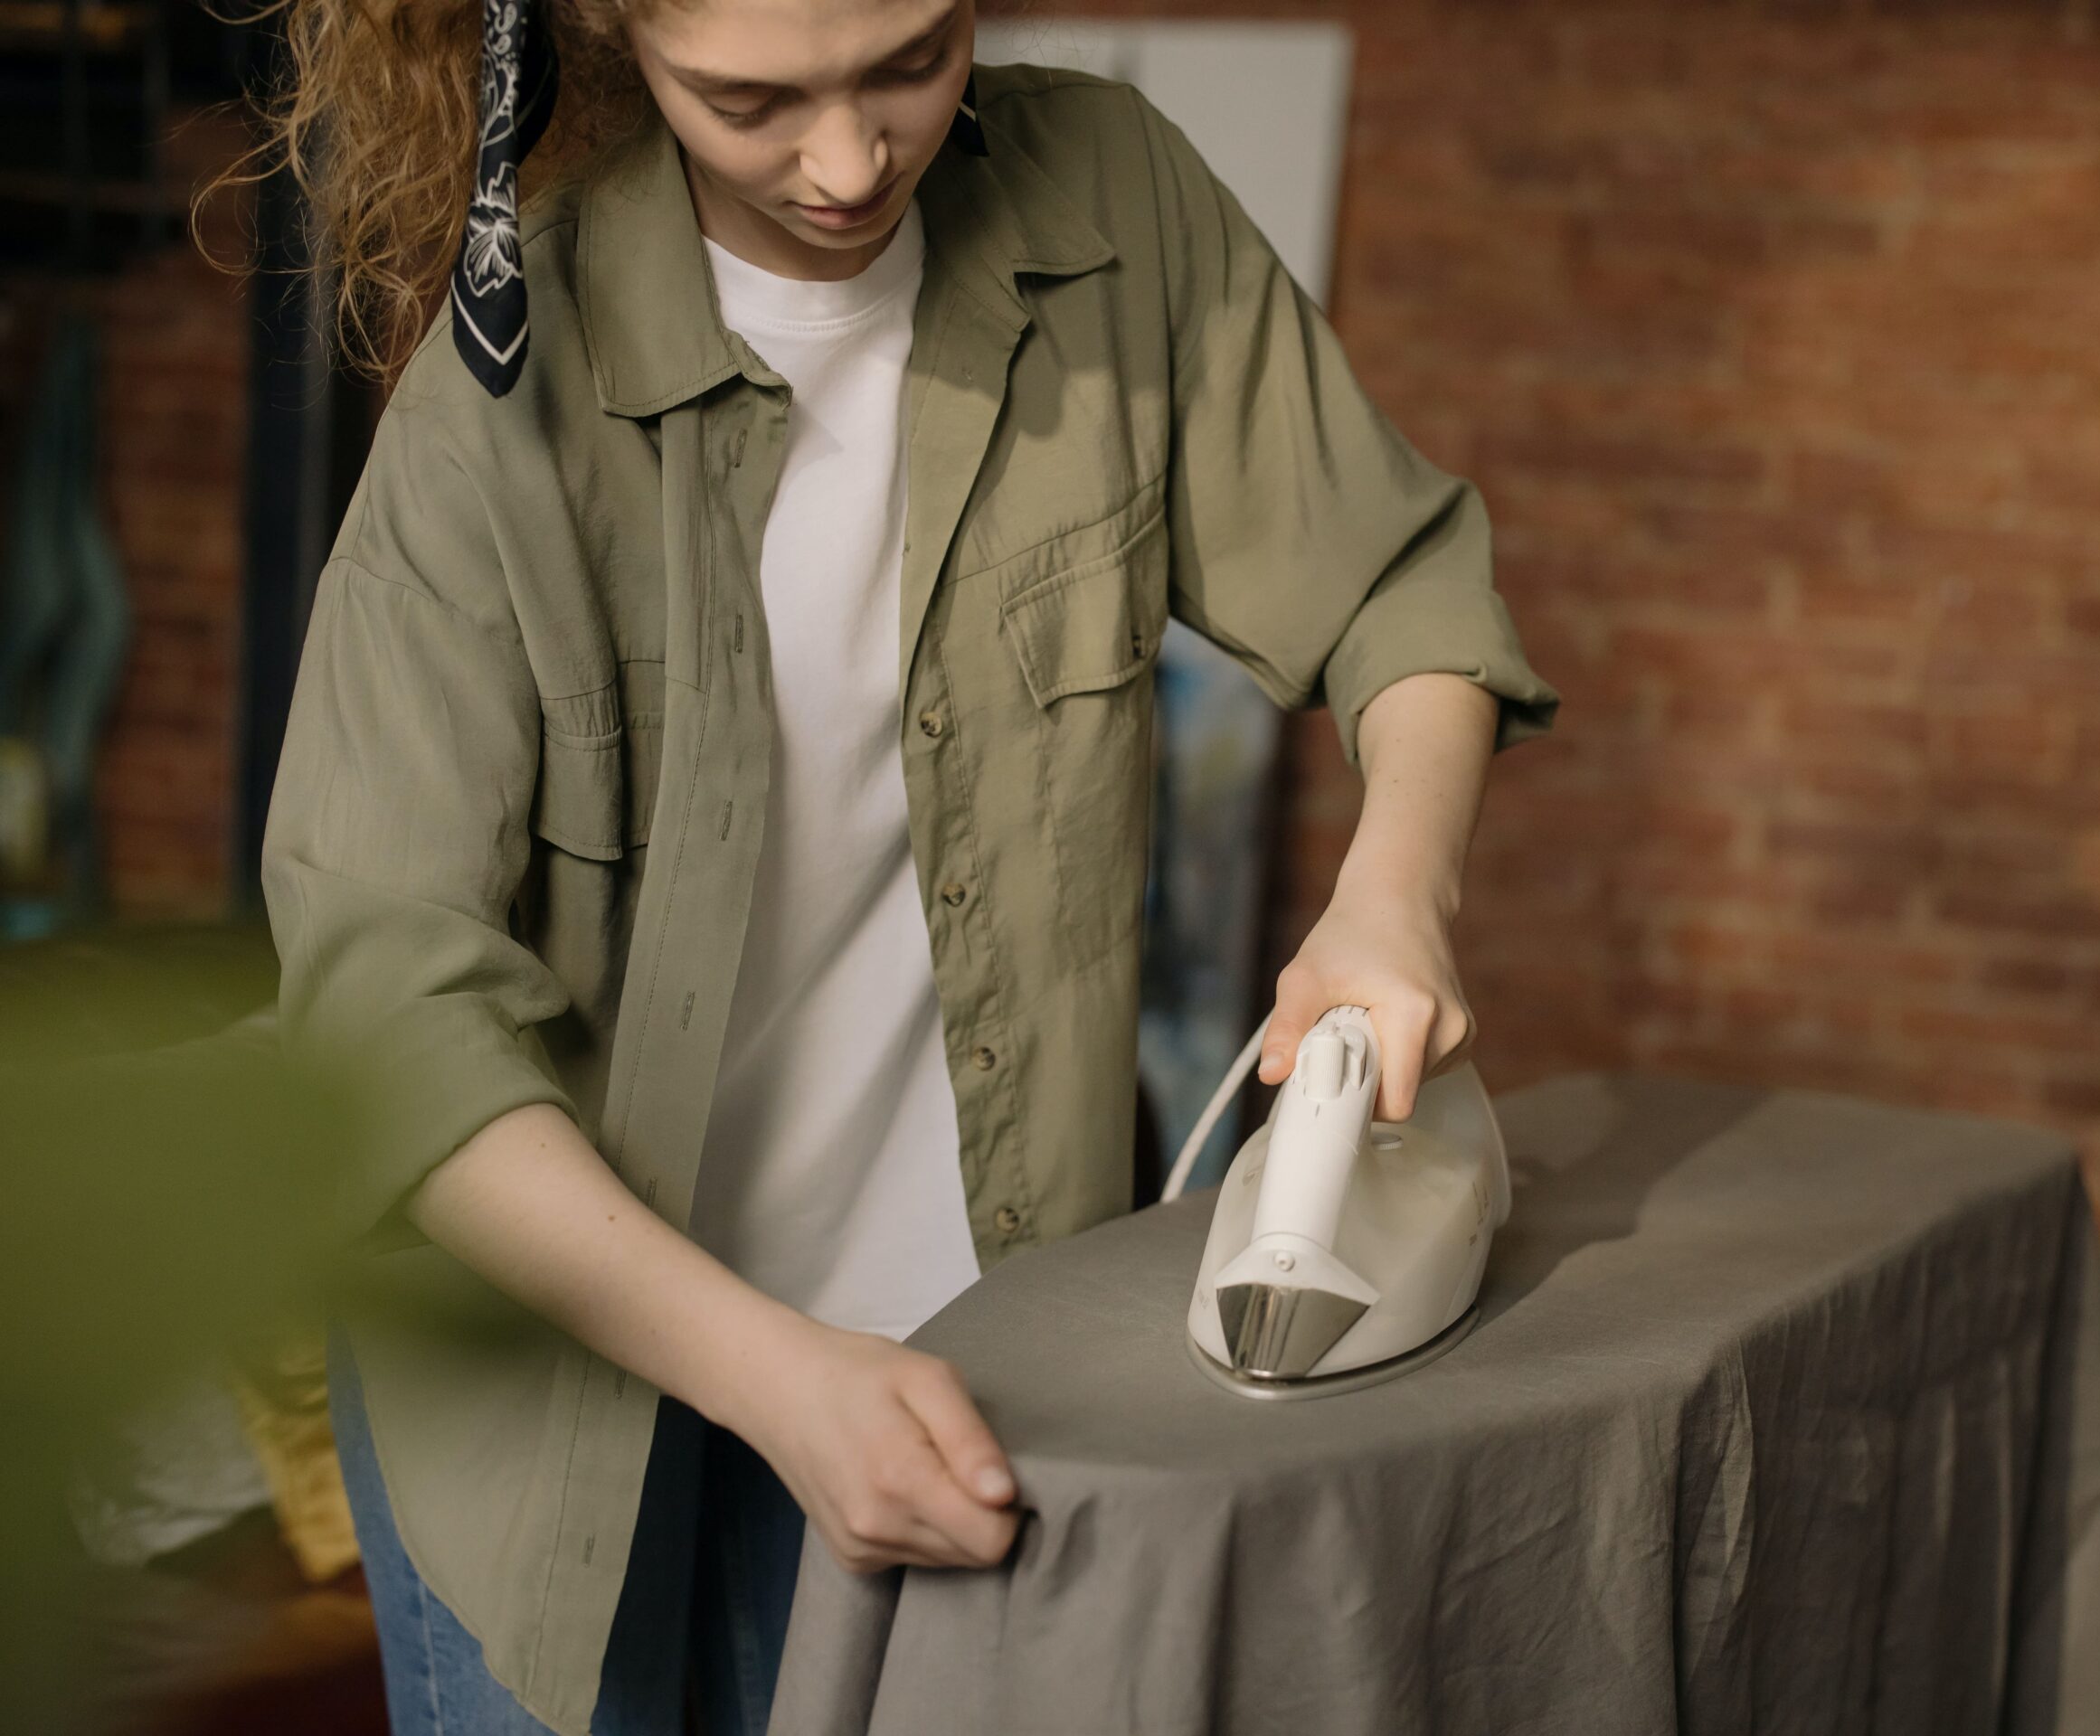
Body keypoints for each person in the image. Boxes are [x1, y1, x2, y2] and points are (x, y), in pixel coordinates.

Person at [234, 1, 1558, 1731]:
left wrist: (1398, 889)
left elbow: (1402, 590)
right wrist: (779, 1382)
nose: (851, 164)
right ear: (614, 29)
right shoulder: (504, 393)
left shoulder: (1113, 209)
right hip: (544, 1385)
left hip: (965, 1341)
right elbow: (383, 1029)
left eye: (911, 62)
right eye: (752, 102)